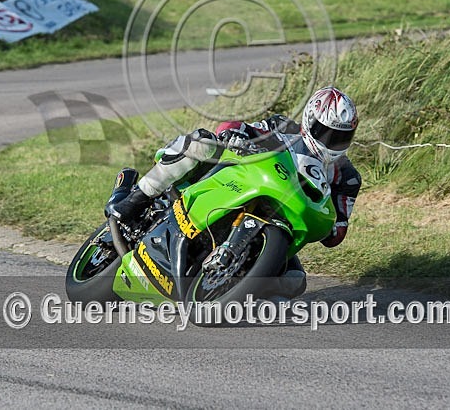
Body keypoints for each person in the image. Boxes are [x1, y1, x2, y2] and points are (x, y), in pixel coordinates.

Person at [107, 87, 362, 298]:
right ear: (309, 121)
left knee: (295, 282)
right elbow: (237, 126)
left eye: (341, 137)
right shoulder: (282, 127)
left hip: (285, 221)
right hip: (238, 183)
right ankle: (137, 198)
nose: (331, 142)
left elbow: (337, 230)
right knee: (200, 143)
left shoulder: (348, 178)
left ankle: (237, 289)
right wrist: (232, 134)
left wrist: (331, 227)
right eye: (326, 133)